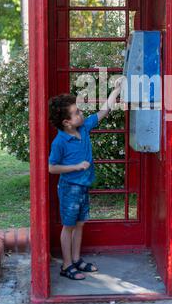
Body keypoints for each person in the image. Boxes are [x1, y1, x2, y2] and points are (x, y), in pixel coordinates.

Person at [48, 78, 122, 280]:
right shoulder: (60, 141)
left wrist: (115, 91)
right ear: (67, 122)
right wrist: (76, 166)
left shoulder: (83, 128)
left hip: (83, 187)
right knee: (69, 226)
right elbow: (52, 168)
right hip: (69, 188)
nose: (81, 113)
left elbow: (102, 112)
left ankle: (77, 259)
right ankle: (66, 265)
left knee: (80, 224)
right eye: (77, 113)